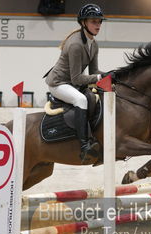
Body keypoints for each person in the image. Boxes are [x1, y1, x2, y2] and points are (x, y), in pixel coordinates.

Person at [45, 3, 107, 164]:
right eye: (94, 21)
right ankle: (85, 145)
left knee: (98, 96)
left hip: (71, 81)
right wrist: (100, 78)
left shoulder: (94, 44)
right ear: (83, 23)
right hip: (59, 83)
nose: (98, 25)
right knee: (81, 100)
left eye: (100, 21)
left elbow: (94, 71)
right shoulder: (75, 45)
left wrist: (109, 76)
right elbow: (77, 79)